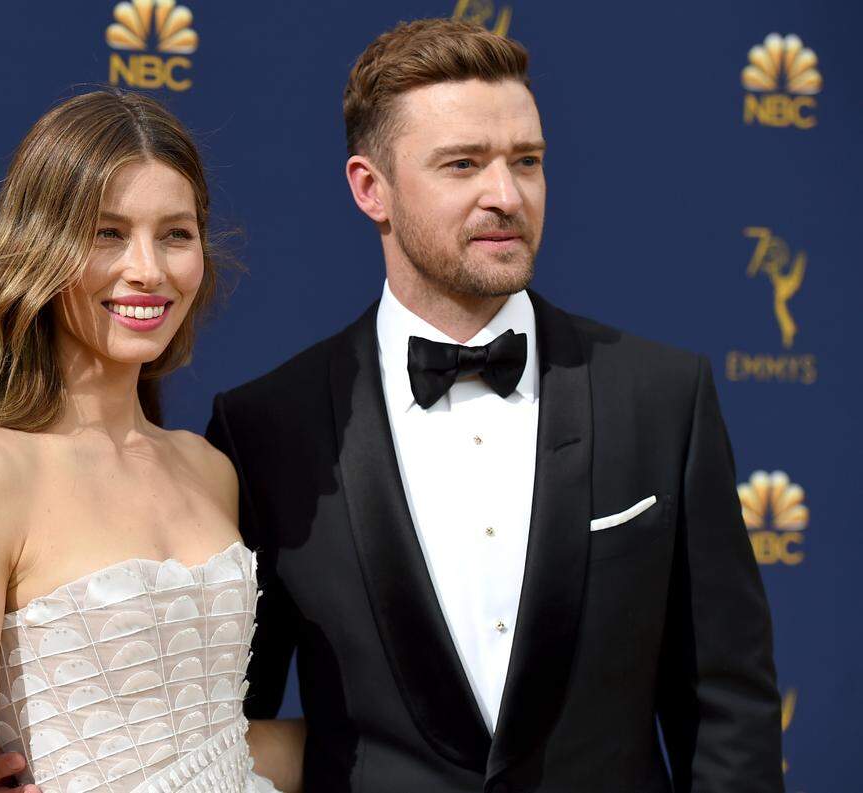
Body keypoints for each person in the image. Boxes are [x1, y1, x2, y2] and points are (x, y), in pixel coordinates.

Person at [203, 18, 783, 793]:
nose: (506, 195)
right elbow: (220, 725)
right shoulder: (267, 429)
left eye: (527, 162)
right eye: (463, 164)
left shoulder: (662, 396)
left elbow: (728, 707)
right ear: (369, 187)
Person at [0, 90, 299, 793]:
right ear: (39, 247)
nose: (148, 269)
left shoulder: (208, 470)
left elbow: (217, 744)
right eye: (107, 233)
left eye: (175, 233)